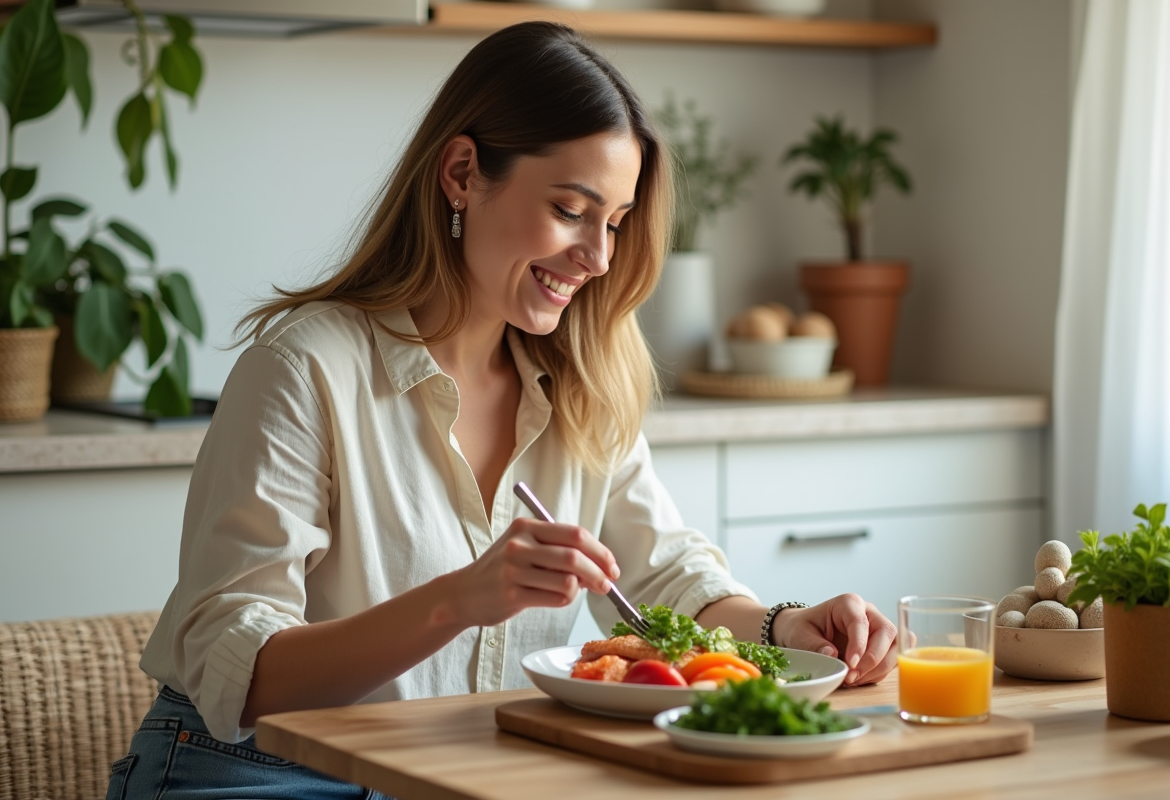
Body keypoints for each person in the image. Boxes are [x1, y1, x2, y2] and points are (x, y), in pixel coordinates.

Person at [107, 21, 897, 799]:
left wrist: (783, 630)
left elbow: (665, 579)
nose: (599, 257)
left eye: (615, 223)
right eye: (570, 208)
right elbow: (239, 677)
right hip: (252, 771)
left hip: (455, 775)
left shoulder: (580, 383)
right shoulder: (303, 368)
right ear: (460, 172)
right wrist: (458, 599)